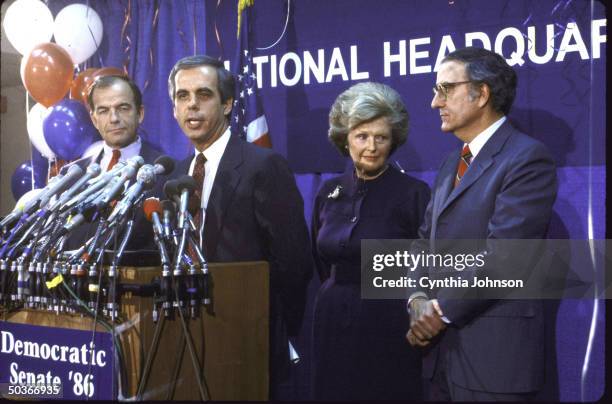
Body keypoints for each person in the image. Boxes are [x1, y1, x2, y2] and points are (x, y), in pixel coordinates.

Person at [406, 47, 558, 401]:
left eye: (445, 89)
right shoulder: (450, 163)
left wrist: (438, 314)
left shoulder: (526, 158)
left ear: (482, 93)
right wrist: (416, 300)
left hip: (495, 363)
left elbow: (506, 258)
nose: (434, 102)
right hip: (440, 358)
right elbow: (423, 242)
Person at [167, 55, 313, 397]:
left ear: (228, 103)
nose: (192, 106)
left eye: (204, 94)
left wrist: (271, 326)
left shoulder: (262, 165)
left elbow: (293, 261)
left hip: (248, 335)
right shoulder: (173, 175)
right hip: (184, 335)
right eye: (182, 97)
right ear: (173, 108)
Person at [311, 82, 430, 400]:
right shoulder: (328, 192)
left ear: (394, 141)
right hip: (333, 317)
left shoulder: (413, 193)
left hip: (389, 321)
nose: (372, 146)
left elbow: (429, 262)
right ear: (345, 139)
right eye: (362, 136)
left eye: (381, 137)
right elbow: (321, 257)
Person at [61, 74, 164, 252]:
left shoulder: (165, 172)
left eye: (123, 108)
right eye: (103, 111)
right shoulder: (70, 176)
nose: (114, 118)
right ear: (94, 120)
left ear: (140, 114)